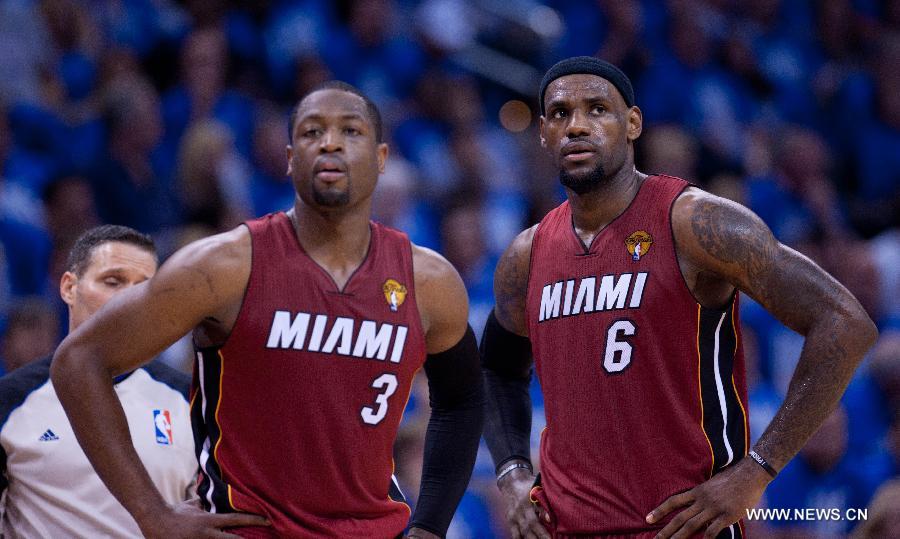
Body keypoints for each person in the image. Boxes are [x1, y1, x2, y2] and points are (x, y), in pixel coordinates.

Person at [51, 81, 484, 538]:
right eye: (312, 131)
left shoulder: (428, 282)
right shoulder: (225, 266)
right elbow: (79, 360)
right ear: (290, 158)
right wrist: (151, 513)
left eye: (350, 131)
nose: (330, 142)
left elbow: (464, 400)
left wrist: (431, 525)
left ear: (380, 159)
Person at [480, 56, 878, 539]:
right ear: (542, 132)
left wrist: (756, 470)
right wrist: (513, 473)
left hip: (684, 527)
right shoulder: (528, 253)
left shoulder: (694, 223)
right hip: (565, 528)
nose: (577, 126)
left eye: (597, 109)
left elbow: (845, 322)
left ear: (632, 124)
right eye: (560, 114)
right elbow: (496, 369)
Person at [0, 225, 196, 537]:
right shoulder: (10, 400)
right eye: (113, 281)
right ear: (69, 288)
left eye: (144, 288)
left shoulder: (191, 398)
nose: (129, 298)